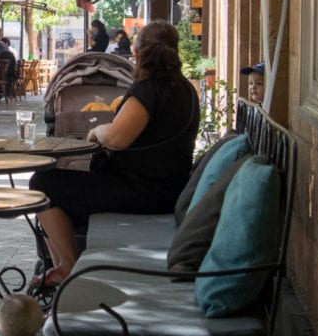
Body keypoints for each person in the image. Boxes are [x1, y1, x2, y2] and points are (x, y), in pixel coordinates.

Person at [29, 20, 199, 287]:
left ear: (138, 53)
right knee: (61, 183)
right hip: (166, 188)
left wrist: (98, 131)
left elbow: (118, 138)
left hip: (144, 192)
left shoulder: (150, 88)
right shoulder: (185, 88)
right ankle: (63, 264)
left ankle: (67, 268)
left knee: (42, 183)